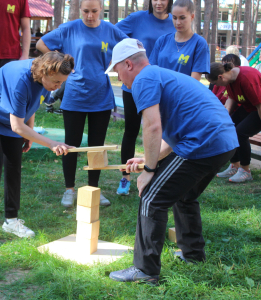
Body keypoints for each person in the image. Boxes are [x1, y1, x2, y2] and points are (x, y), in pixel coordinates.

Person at [106, 38, 238, 285]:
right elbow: (171, 134)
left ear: (128, 64)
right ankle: (193, 255)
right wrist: (149, 157)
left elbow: (153, 126)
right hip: (224, 142)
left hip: (203, 143)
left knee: (151, 198)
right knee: (184, 195)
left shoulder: (143, 79)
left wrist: (149, 169)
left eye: (116, 69)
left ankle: (144, 271)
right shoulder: (158, 75)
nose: (117, 75)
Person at [0, 52, 75, 244]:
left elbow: (33, 104)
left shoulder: (46, 78)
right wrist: (50, 143)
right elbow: (17, 126)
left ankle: (11, 221)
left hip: (12, 118)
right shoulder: (20, 79)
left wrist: (31, 132)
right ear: (44, 73)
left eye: (62, 83)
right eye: (57, 82)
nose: (58, 87)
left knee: (14, 165)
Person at [36, 0, 127, 207]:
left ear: (101, 10)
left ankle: (94, 189)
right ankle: (69, 190)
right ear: (80, 10)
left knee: (96, 147)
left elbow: (130, 47)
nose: (90, 16)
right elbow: (42, 44)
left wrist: (121, 66)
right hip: (75, 95)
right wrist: (61, 62)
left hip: (101, 96)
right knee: (70, 145)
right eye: (86, 11)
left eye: (94, 11)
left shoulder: (111, 30)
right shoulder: (69, 28)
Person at [114, 0, 175, 196]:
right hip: (133, 86)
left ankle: (157, 174)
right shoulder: (137, 18)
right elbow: (114, 34)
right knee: (131, 131)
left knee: (164, 132)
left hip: (160, 87)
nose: (158, 2)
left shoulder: (175, 21)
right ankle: (126, 177)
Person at [206, 62, 261, 183]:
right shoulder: (230, 80)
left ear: (220, 77)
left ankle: (245, 170)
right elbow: (232, 98)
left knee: (240, 133)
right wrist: (225, 117)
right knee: (228, 128)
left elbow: (259, 104)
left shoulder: (247, 78)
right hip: (249, 107)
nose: (215, 86)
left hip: (258, 108)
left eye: (215, 83)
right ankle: (235, 165)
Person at [150, 0, 210, 80]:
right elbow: (151, 71)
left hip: (184, 92)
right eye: (174, 18)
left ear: (192, 16)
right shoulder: (162, 40)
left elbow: (194, 82)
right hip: (159, 91)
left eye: (182, 18)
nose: (178, 22)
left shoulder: (199, 44)